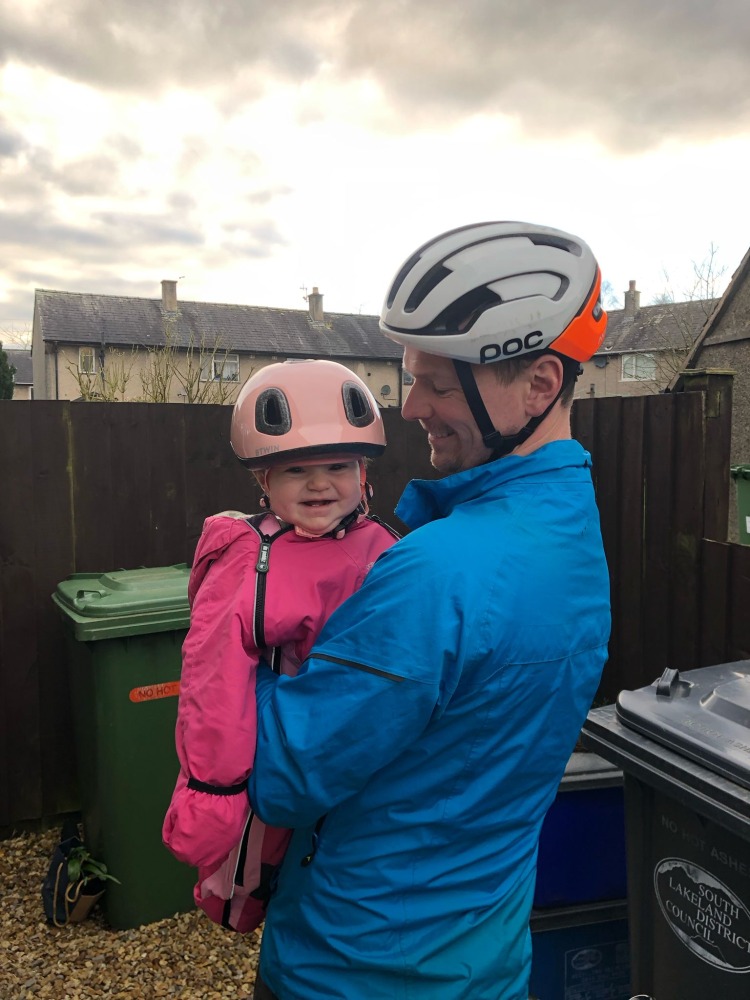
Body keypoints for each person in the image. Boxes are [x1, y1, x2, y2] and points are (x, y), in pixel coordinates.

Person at [248, 222, 612, 1000]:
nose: (411, 407)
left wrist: (237, 644)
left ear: (540, 384)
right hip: (483, 966)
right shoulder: (576, 541)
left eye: (439, 385)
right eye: (411, 378)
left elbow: (283, 775)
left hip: (350, 971)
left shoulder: (437, 573)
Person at [162, 359, 398, 933]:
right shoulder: (249, 557)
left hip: (369, 761)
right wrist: (212, 791)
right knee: (260, 877)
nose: (320, 484)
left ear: (363, 472)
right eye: (296, 470)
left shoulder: (388, 546)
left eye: (338, 465)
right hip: (280, 757)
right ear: (264, 481)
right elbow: (213, 678)